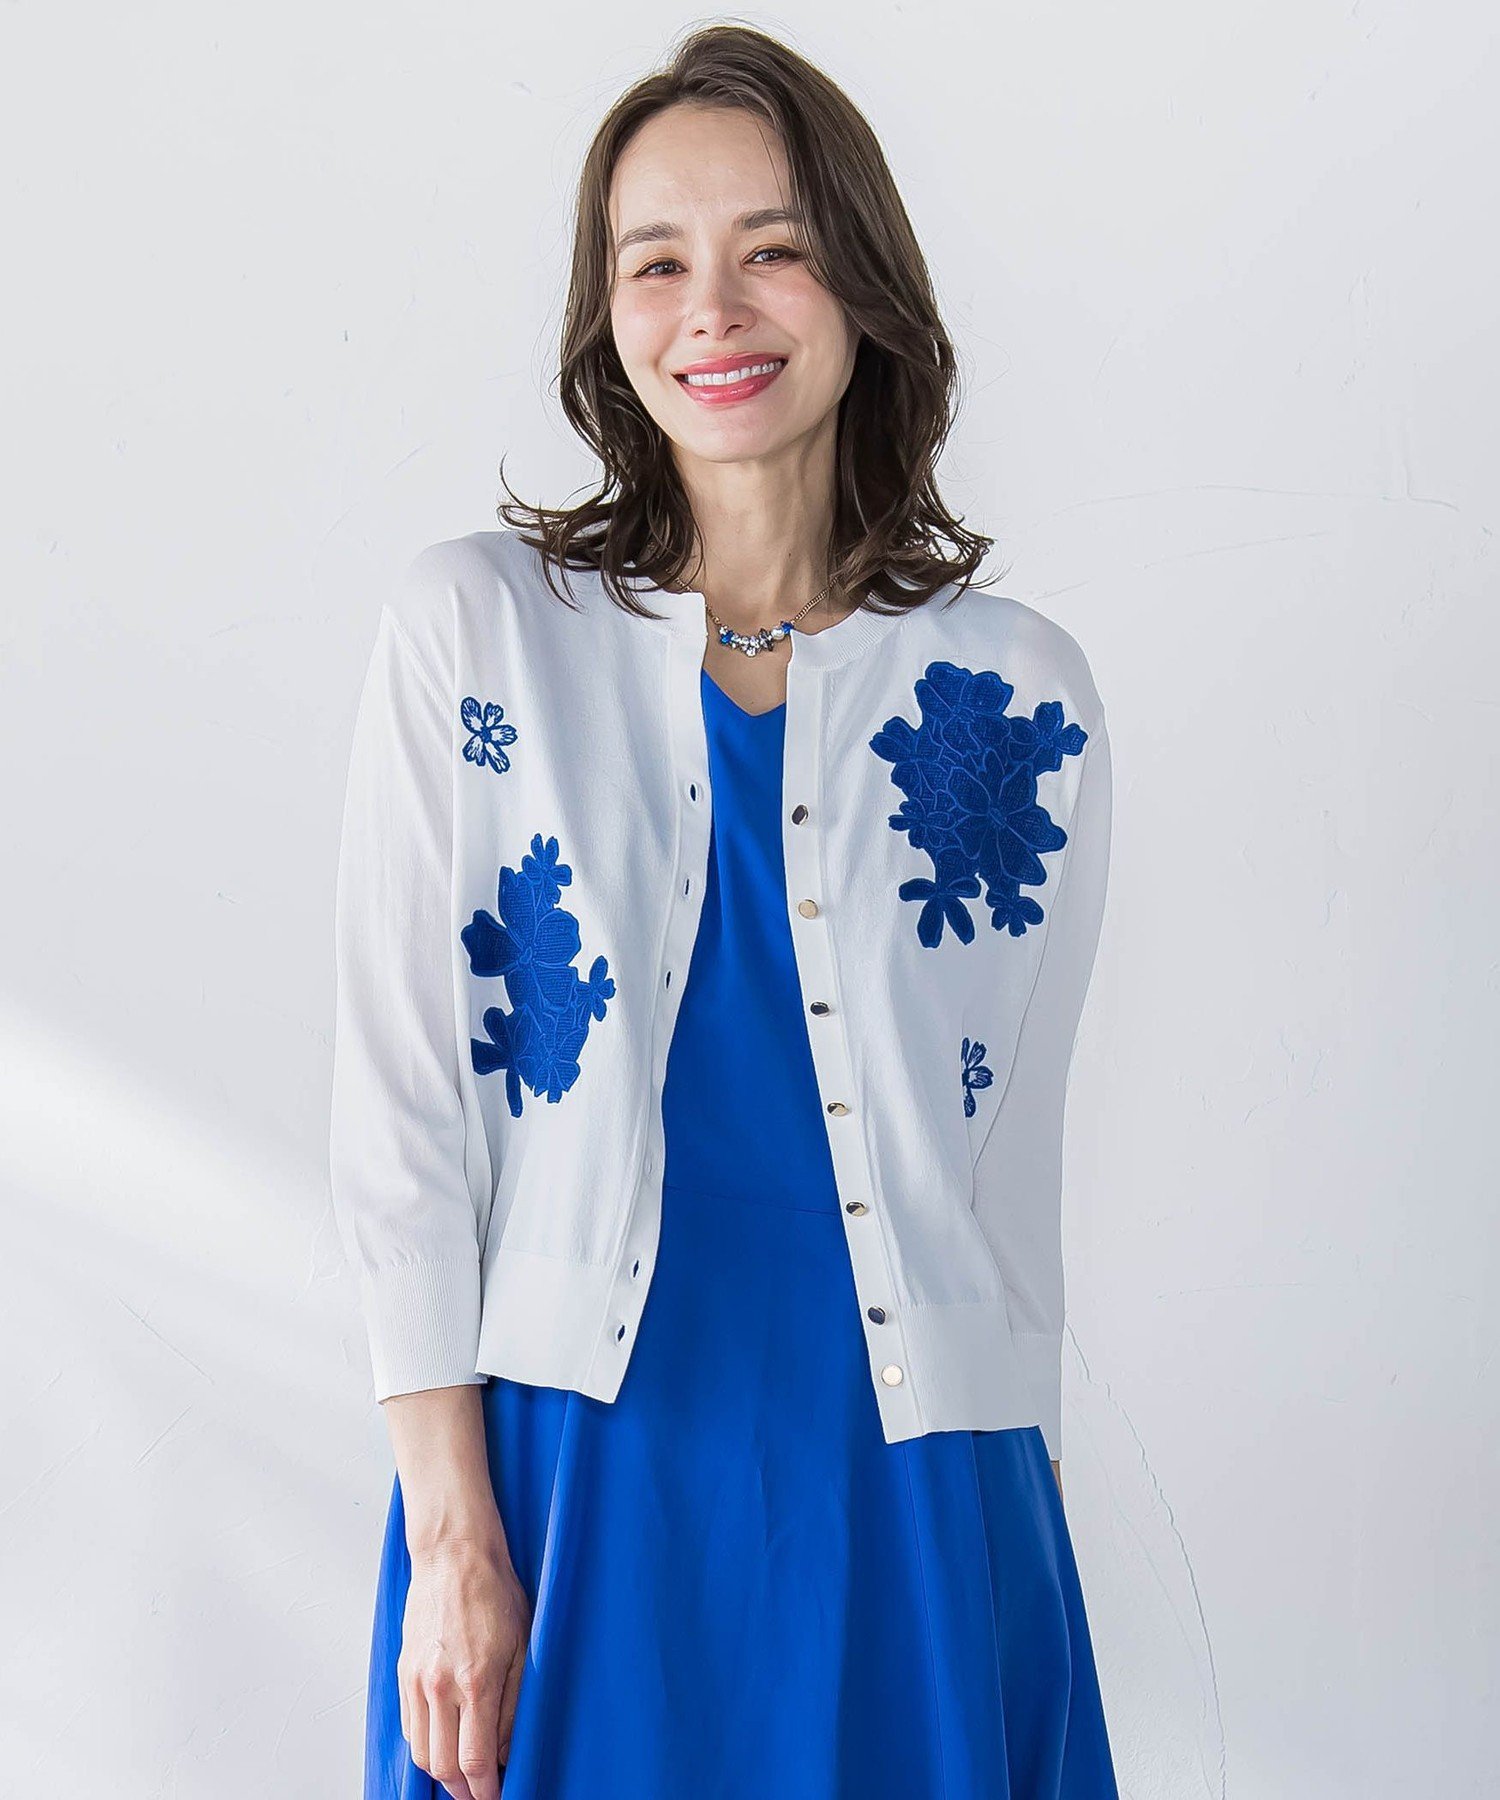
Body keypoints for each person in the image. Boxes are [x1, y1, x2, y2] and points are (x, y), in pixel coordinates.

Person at [330, 23, 1121, 1799]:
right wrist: (451, 1536)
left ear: (863, 280)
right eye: (657, 262)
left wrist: (1023, 1562)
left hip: (903, 1491)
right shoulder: (480, 636)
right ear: (604, 315)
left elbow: (1008, 1181)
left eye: (775, 246)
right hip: (577, 1485)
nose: (716, 309)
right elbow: (402, 1123)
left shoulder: (1022, 696)